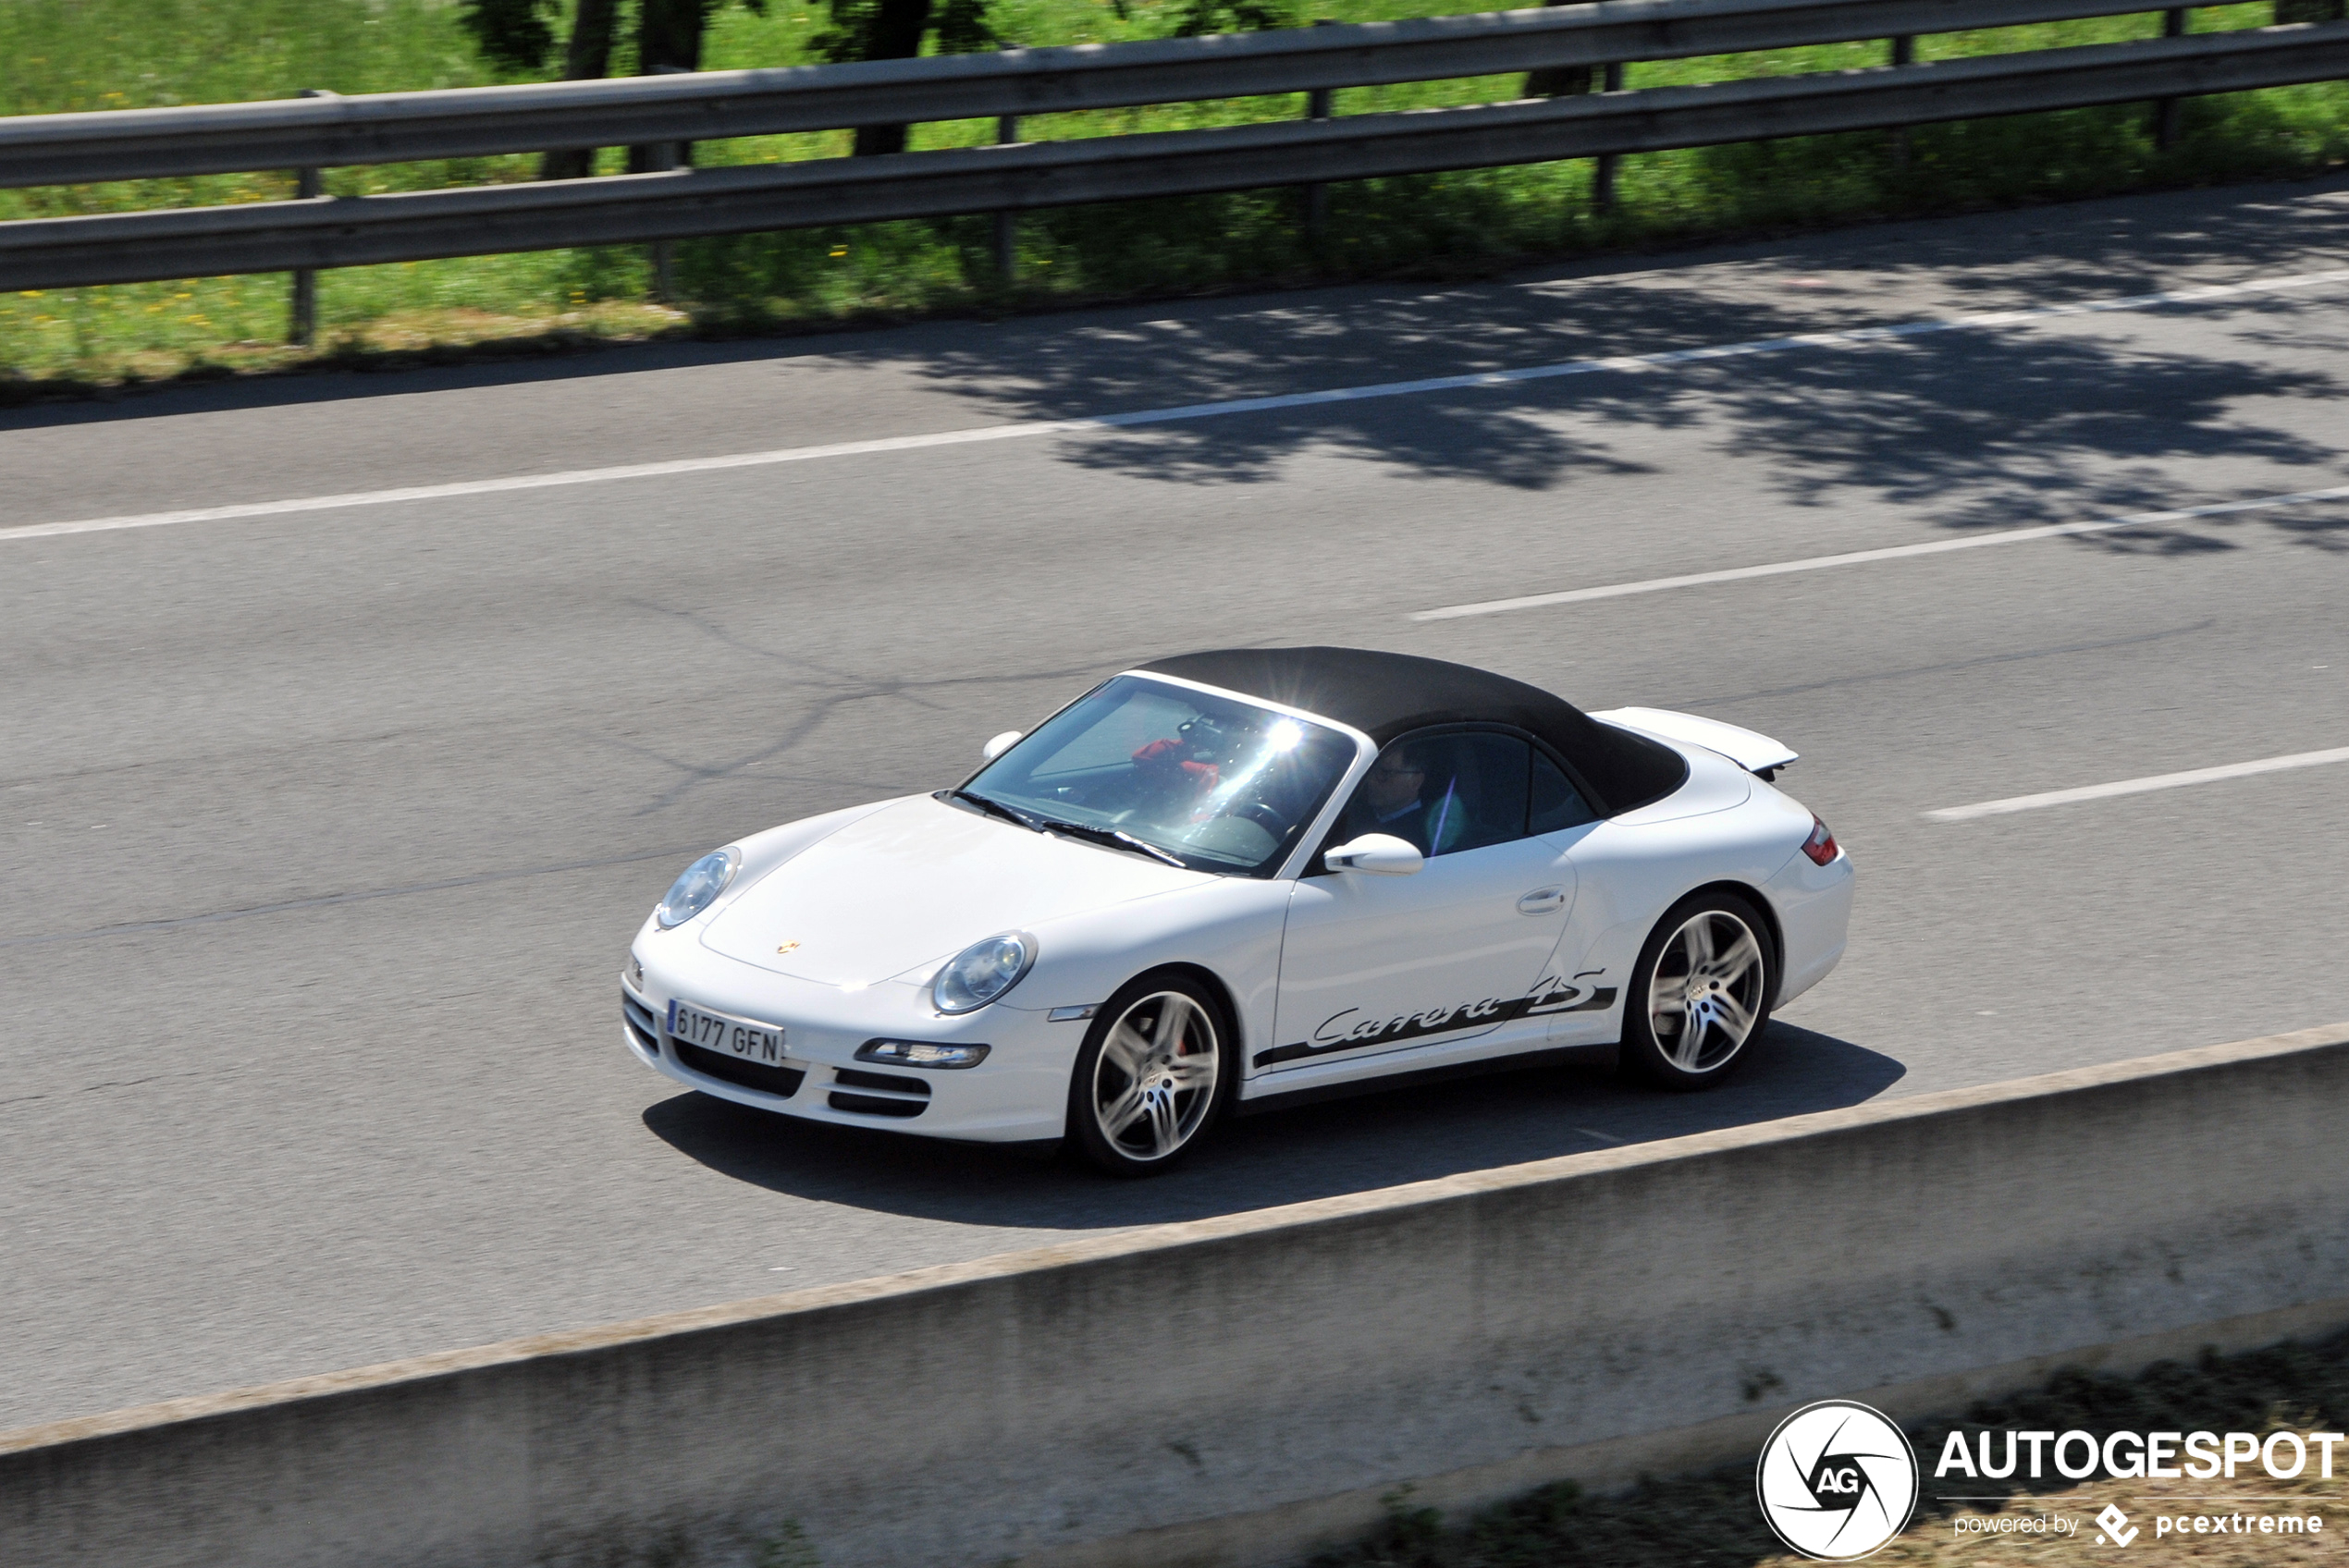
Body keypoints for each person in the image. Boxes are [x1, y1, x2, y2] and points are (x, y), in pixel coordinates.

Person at [1339, 741, 1465, 856]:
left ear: (1416, 781)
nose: (1371, 780)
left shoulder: (1418, 838)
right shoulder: (1351, 810)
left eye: (1385, 773)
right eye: (1372, 770)